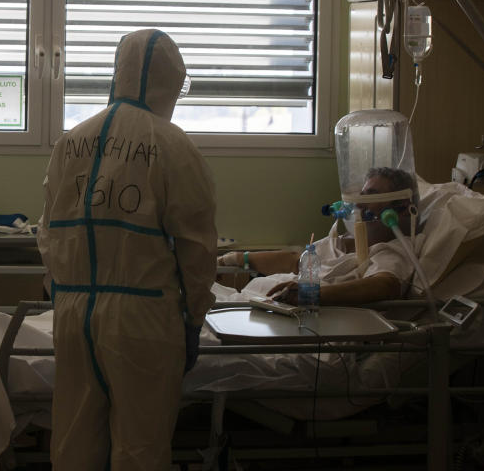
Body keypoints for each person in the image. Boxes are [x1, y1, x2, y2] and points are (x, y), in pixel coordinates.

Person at [37, 29, 217, 471]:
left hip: (73, 315)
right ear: (172, 82)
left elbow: (48, 231)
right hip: (144, 319)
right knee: (141, 450)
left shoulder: (71, 141)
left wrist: (60, 292)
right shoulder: (174, 146)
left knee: (74, 445)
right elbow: (197, 249)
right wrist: (194, 318)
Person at [218, 167, 419, 305]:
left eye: (371, 195)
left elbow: (385, 284)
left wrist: (312, 294)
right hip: (250, 301)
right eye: (361, 194)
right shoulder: (341, 241)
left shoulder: (390, 250)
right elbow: (294, 261)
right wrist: (228, 259)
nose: (358, 204)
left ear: (400, 209)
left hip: (281, 319)